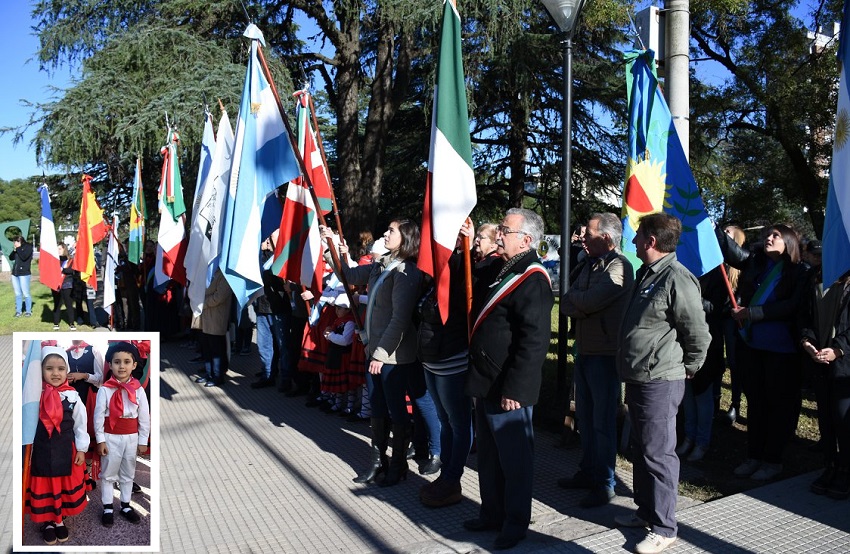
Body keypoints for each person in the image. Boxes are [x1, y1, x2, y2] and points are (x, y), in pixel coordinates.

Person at [615, 213, 710, 554]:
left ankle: (665, 526)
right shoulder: (648, 273)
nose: (635, 240)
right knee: (641, 449)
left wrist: (690, 367)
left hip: (660, 379)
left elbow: (698, 332)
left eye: (638, 235)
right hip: (639, 376)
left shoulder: (677, 278)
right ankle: (645, 512)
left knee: (658, 454)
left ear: (651, 241)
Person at [463, 208, 553, 551]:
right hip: (487, 379)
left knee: (514, 461)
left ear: (526, 240)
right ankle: (492, 513)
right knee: (488, 454)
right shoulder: (503, 267)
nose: (499, 234)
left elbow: (533, 342)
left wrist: (517, 389)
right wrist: (470, 241)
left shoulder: (532, 277)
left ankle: (515, 522)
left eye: (505, 230)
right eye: (500, 229)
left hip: (508, 386)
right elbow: (468, 276)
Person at [329, 218, 423, 487]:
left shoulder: (406, 271)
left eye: (391, 231)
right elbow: (347, 275)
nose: (385, 233)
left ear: (405, 238)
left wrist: (381, 353)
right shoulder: (382, 265)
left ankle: (398, 464)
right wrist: (331, 247)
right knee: (378, 408)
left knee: (396, 410)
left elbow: (400, 318)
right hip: (375, 352)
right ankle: (377, 461)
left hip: (392, 355)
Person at [718, 224, 808, 481]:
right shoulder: (756, 262)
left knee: (777, 406)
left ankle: (772, 460)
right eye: (767, 234)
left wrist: (752, 313)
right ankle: (753, 456)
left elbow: (791, 306)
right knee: (755, 404)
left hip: (782, 351)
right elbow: (732, 252)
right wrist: (711, 227)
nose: (768, 238)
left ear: (789, 241)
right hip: (752, 346)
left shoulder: (800, 271)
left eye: (775, 236)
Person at [557, 213, 634, 508]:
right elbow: (566, 301)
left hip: (605, 354)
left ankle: (605, 483)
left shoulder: (620, 267)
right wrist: (580, 302)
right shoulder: (588, 264)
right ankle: (588, 471)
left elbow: (587, 301)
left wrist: (579, 302)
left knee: (602, 421)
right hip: (586, 351)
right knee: (586, 420)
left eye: (588, 235)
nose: (582, 239)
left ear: (607, 238)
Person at [416, 228, 475, 507]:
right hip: (432, 359)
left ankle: (453, 476)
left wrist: (469, 244)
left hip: (451, 359)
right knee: (445, 420)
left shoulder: (458, 268)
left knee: (459, 422)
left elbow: (468, 284)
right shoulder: (431, 276)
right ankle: (448, 476)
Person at [25, 346, 90, 545]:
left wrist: (81, 449)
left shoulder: (72, 396)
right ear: (41, 371)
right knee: (45, 485)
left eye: (61, 368)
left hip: (65, 452)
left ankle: (59, 519)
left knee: (61, 486)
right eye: (50, 368)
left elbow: (81, 425)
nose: (55, 373)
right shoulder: (33, 396)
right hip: (41, 452)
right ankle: (47, 522)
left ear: (66, 371)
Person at [800, 267, 850, 499]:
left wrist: (839, 349)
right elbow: (808, 317)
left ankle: (846, 471)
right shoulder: (820, 279)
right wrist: (807, 342)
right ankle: (830, 466)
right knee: (827, 420)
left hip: (844, 366)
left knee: (844, 421)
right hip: (820, 363)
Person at [93, 341, 150, 526]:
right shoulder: (105, 389)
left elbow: (144, 417)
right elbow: (98, 416)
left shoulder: (138, 390)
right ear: (110, 364)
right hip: (111, 437)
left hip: (131, 438)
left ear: (134, 365)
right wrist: (100, 440)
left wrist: (143, 440)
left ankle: (125, 505)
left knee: (128, 472)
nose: (122, 366)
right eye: (117, 362)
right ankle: (108, 506)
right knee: (109, 473)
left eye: (127, 362)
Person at [66, 340, 105, 490]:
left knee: (87, 434)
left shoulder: (94, 350)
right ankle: (76, 476)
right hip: (71, 398)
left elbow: (100, 379)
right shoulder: (66, 352)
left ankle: (87, 476)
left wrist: (83, 375)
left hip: (88, 398)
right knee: (73, 435)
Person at [720, 225, 747, 425]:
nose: (723, 233)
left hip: (733, 320)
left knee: (735, 362)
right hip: (716, 317)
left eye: (728, 232)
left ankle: (736, 403)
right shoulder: (716, 261)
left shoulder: (742, 266)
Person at [197, 269, 233, 387]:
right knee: (207, 348)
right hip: (205, 317)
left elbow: (220, 296)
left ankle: (218, 376)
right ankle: (209, 374)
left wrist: (203, 302)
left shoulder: (225, 274)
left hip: (217, 317)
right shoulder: (208, 271)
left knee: (217, 349)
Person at [53, 244, 77, 331]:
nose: (58, 250)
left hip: (67, 284)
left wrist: (62, 270)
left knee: (68, 305)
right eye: (57, 249)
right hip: (57, 285)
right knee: (57, 304)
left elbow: (71, 270)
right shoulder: (55, 259)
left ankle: (71, 323)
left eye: (59, 249)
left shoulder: (70, 260)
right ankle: (56, 323)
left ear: (64, 249)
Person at [11, 235, 33, 317]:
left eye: (15, 242)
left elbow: (24, 257)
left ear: (19, 241)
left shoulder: (28, 247)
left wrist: (18, 248)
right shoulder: (17, 249)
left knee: (26, 293)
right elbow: (11, 258)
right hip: (15, 273)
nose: (14, 244)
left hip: (24, 273)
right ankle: (18, 311)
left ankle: (28, 311)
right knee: (17, 293)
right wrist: (14, 251)